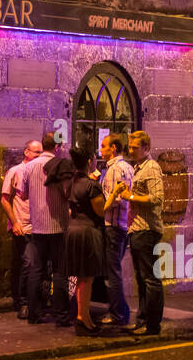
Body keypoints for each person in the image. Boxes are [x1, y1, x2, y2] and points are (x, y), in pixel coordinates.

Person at [66, 147, 128, 336]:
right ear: (88, 162)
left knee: (79, 277)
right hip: (87, 231)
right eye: (94, 158)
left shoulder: (71, 182)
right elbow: (101, 211)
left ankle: (83, 317)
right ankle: (83, 319)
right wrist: (116, 190)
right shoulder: (92, 186)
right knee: (87, 278)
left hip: (72, 229)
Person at [16, 132, 70, 326]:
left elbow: (23, 194)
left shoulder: (28, 167)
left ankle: (34, 314)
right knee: (59, 272)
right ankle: (61, 315)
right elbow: (67, 193)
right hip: (58, 225)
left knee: (36, 270)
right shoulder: (62, 165)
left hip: (37, 225)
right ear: (56, 147)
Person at [124, 130, 165, 335]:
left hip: (147, 229)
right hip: (136, 228)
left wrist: (129, 196)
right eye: (130, 147)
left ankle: (152, 324)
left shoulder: (151, 168)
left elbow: (156, 198)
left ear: (146, 148)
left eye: (135, 147)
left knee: (150, 279)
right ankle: (142, 319)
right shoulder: (139, 168)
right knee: (141, 278)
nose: (131, 150)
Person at [1, 141, 41, 318]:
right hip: (22, 226)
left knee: (37, 265)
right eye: (36, 152)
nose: (39, 156)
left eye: (41, 153)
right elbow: (4, 199)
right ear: (26, 152)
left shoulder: (41, 171)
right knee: (27, 263)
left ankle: (35, 301)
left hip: (39, 226)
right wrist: (15, 222)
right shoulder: (15, 171)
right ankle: (22, 302)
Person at [97, 135, 134, 326]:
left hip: (113, 226)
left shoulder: (114, 170)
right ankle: (121, 311)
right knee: (114, 270)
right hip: (122, 226)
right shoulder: (127, 167)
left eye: (103, 146)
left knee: (113, 273)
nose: (100, 149)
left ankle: (118, 313)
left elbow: (114, 200)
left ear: (113, 148)